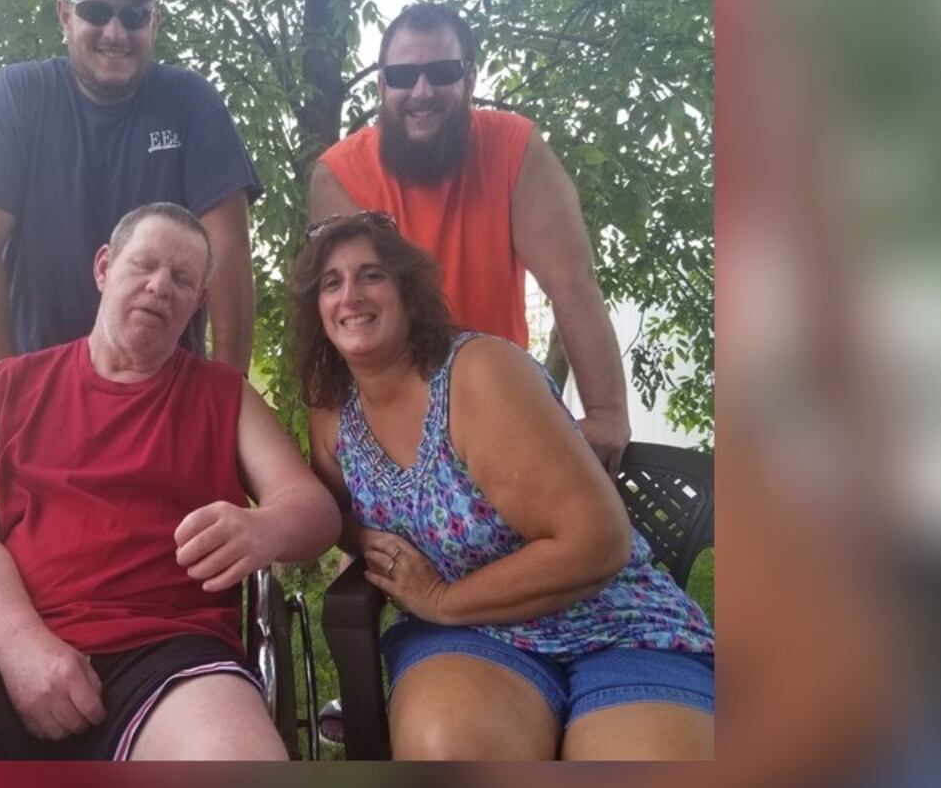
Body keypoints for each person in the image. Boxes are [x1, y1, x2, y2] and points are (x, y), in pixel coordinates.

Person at [0, 203, 340, 760]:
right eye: (143, 265)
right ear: (103, 268)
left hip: (169, 653)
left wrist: (263, 528)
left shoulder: (226, 396)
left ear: (197, 301)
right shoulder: (7, 388)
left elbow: (314, 510)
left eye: (182, 279)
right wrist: (22, 649)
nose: (160, 287)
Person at [291, 212, 714, 761]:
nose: (350, 294)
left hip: (616, 623)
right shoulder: (332, 411)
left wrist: (443, 599)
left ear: (407, 290)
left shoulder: (479, 371)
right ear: (315, 306)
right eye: (331, 282)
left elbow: (598, 542)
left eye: (371, 275)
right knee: (452, 750)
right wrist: (354, 533)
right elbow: (325, 507)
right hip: (467, 640)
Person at [309, 3, 630, 475]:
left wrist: (606, 413)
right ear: (382, 85)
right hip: (392, 431)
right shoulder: (340, 174)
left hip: (502, 416)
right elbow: (342, 319)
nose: (421, 91)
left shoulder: (515, 149)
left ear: (471, 79)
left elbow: (572, 283)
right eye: (402, 75)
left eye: (441, 72)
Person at [0, 0, 259, 372]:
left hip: (164, 401)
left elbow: (227, 259)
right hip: (43, 393)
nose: (115, 32)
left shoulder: (191, 103)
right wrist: (5, 392)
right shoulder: (17, 96)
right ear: (64, 15)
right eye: (95, 11)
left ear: (155, 22)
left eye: (133, 16)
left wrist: (227, 402)